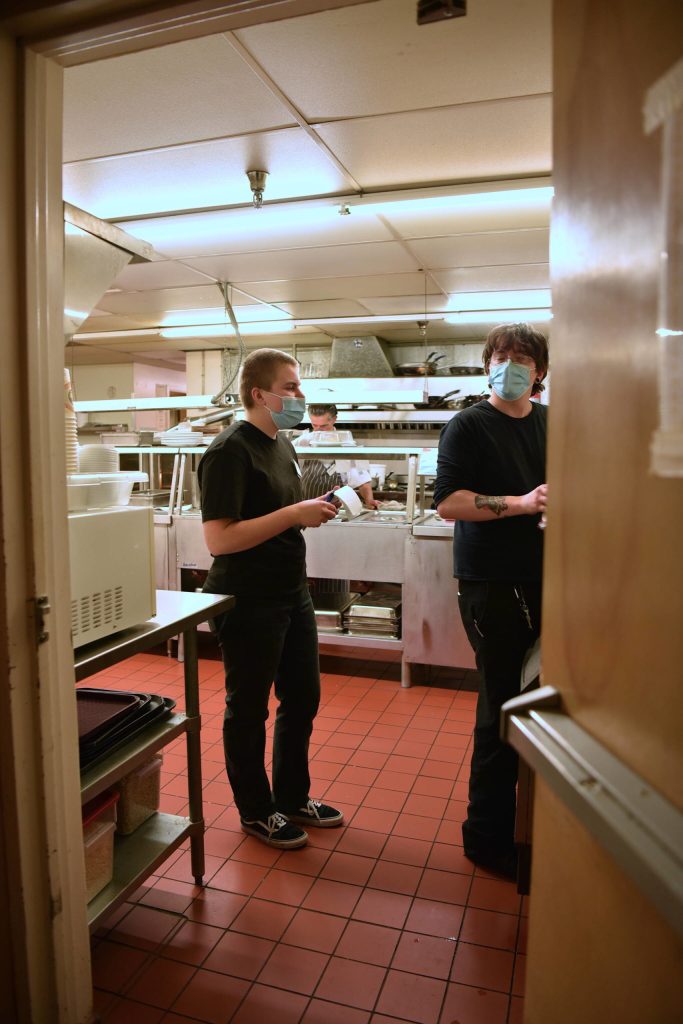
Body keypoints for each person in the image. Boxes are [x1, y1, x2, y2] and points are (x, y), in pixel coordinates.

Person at [197, 348, 344, 849]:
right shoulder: (228, 451)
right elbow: (219, 539)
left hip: (291, 590)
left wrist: (313, 510)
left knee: (302, 696)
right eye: (291, 387)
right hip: (247, 599)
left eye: (300, 387)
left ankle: (291, 796)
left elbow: (280, 512)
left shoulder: (283, 444)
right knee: (248, 708)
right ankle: (256, 811)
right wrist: (292, 515)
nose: (301, 396)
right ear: (259, 394)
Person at [433, 322, 549, 880]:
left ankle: (529, 827)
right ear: (487, 366)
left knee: (535, 706)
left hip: (546, 581)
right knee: (501, 710)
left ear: (541, 373)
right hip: (491, 588)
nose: (511, 365)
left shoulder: (552, 423)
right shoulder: (468, 426)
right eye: (501, 357)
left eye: (523, 358)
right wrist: (524, 503)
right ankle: (486, 837)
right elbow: (450, 503)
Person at [294, 403, 380, 508]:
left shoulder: (347, 443)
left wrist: (369, 500)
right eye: (314, 425)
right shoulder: (302, 442)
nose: (318, 430)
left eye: (324, 426)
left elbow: (362, 480)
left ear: (334, 419)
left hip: (338, 510)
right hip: (308, 507)